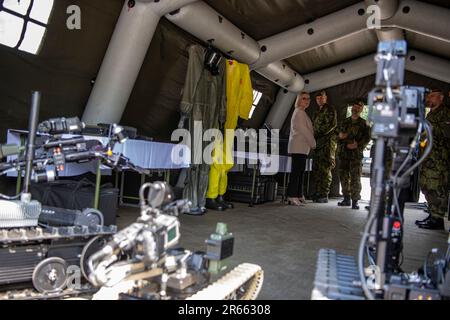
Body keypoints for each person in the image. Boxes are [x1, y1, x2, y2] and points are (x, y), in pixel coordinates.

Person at [416, 88, 450, 230]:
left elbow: (446, 132)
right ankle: (432, 214)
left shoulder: (446, 112)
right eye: (428, 96)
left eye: (432, 96)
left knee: (437, 188)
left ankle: (438, 219)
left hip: (439, 160)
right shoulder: (430, 113)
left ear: (441, 98)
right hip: (428, 158)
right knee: (427, 187)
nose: (429, 99)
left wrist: (429, 127)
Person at [337, 102, 371, 210]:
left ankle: (355, 201)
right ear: (352, 108)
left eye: (358, 107)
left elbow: (367, 138)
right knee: (343, 177)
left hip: (356, 155)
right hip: (344, 153)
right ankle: (346, 198)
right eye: (354, 107)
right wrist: (343, 141)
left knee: (355, 178)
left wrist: (358, 145)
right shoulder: (344, 122)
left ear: (361, 110)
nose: (356, 109)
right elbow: (337, 136)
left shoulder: (364, 123)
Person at [287, 92, 316, 206]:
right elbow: (304, 130)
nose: (307, 100)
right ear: (299, 100)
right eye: (304, 98)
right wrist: (313, 143)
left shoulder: (302, 112)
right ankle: (292, 195)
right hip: (298, 146)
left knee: (300, 172)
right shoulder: (299, 112)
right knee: (296, 173)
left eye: (308, 99)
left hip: (302, 147)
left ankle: (299, 195)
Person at [311, 90, 337, 203]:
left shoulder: (330, 109)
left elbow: (331, 125)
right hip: (317, 143)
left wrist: (315, 134)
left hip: (327, 143)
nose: (320, 100)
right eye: (318, 98)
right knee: (317, 168)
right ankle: (317, 192)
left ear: (326, 98)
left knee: (325, 169)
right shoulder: (316, 112)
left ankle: (324, 194)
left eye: (322, 97)